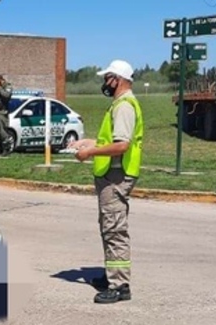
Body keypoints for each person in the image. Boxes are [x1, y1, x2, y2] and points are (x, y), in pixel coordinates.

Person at [67, 60, 144, 304]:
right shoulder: (119, 105)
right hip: (111, 175)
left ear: (118, 79)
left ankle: (120, 284)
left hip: (117, 176)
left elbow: (122, 145)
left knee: (114, 229)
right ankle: (112, 276)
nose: (105, 83)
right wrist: (87, 143)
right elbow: (110, 140)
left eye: (107, 78)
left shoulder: (124, 106)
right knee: (108, 226)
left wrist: (89, 153)